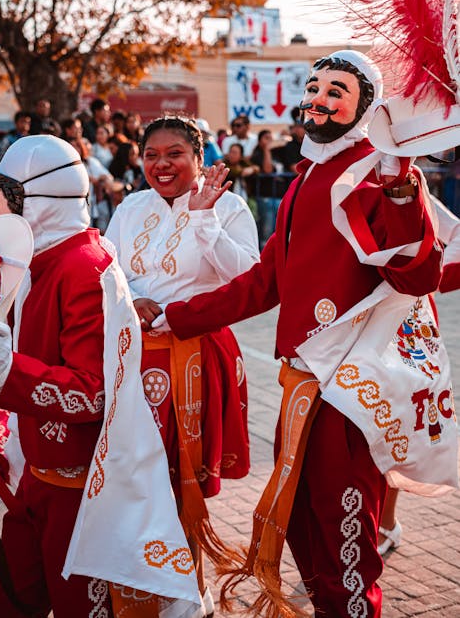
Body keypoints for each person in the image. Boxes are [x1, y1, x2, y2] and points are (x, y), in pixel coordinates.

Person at [150, 51, 450, 617]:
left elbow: (418, 273)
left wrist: (401, 188)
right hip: (300, 387)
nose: (318, 98)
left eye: (336, 90)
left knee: (343, 533)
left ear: (367, 104)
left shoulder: (374, 171)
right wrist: (178, 316)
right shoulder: (310, 173)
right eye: (313, 86)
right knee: (302, 525)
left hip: (346, 388)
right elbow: (266, 281)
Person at [0, 135, 201, 618]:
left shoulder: (82, 268)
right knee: (8, 603)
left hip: (80, 493)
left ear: (35, 202)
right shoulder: (40, 260)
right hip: (40, 473)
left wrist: (10, 369)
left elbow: (94, 393)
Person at [105, 115, 260, 616]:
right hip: (136, 358)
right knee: (139, 474)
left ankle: (187, 586)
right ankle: (153, 575)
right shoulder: (129, 208)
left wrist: (202, 218)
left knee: (182, 474)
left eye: (174, 154)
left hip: (196, 355)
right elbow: (106, 272)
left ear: (198, 157)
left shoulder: (229, 205)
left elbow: (247, 278)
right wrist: (136, 297)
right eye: (151, 154)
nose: (161, 164)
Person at [378, 195, 460, 556]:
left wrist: (433, 279)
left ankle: (385, 523)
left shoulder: (407, 186)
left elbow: (456, 232)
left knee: (394, 420)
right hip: (349, 323)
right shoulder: (333, 179)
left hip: (405, 323)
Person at [249, 129, 288, 249]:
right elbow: (268, 169)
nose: (270, 140)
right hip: (266, 198)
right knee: (266, 233)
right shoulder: (258, 155)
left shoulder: (278, 153)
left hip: (280, 197)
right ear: (260, 141)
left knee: (281, 233)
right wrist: (266, 150)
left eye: (271, 138)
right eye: (266, 138)